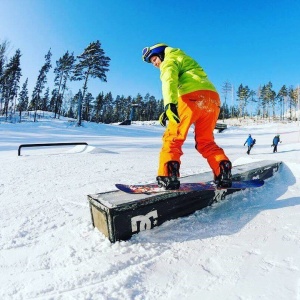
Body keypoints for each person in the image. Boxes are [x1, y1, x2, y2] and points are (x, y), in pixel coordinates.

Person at [142, 43, 232, 190]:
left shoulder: (169, 60)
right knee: (206, 141)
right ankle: (222, 170)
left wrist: (169, 104)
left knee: (173, 138)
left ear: (161, 54)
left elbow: (169, 80)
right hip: (212, 99)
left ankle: (168, 175)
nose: (155, 64)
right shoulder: (185, 59)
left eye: (154, 60)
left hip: (191, 98)